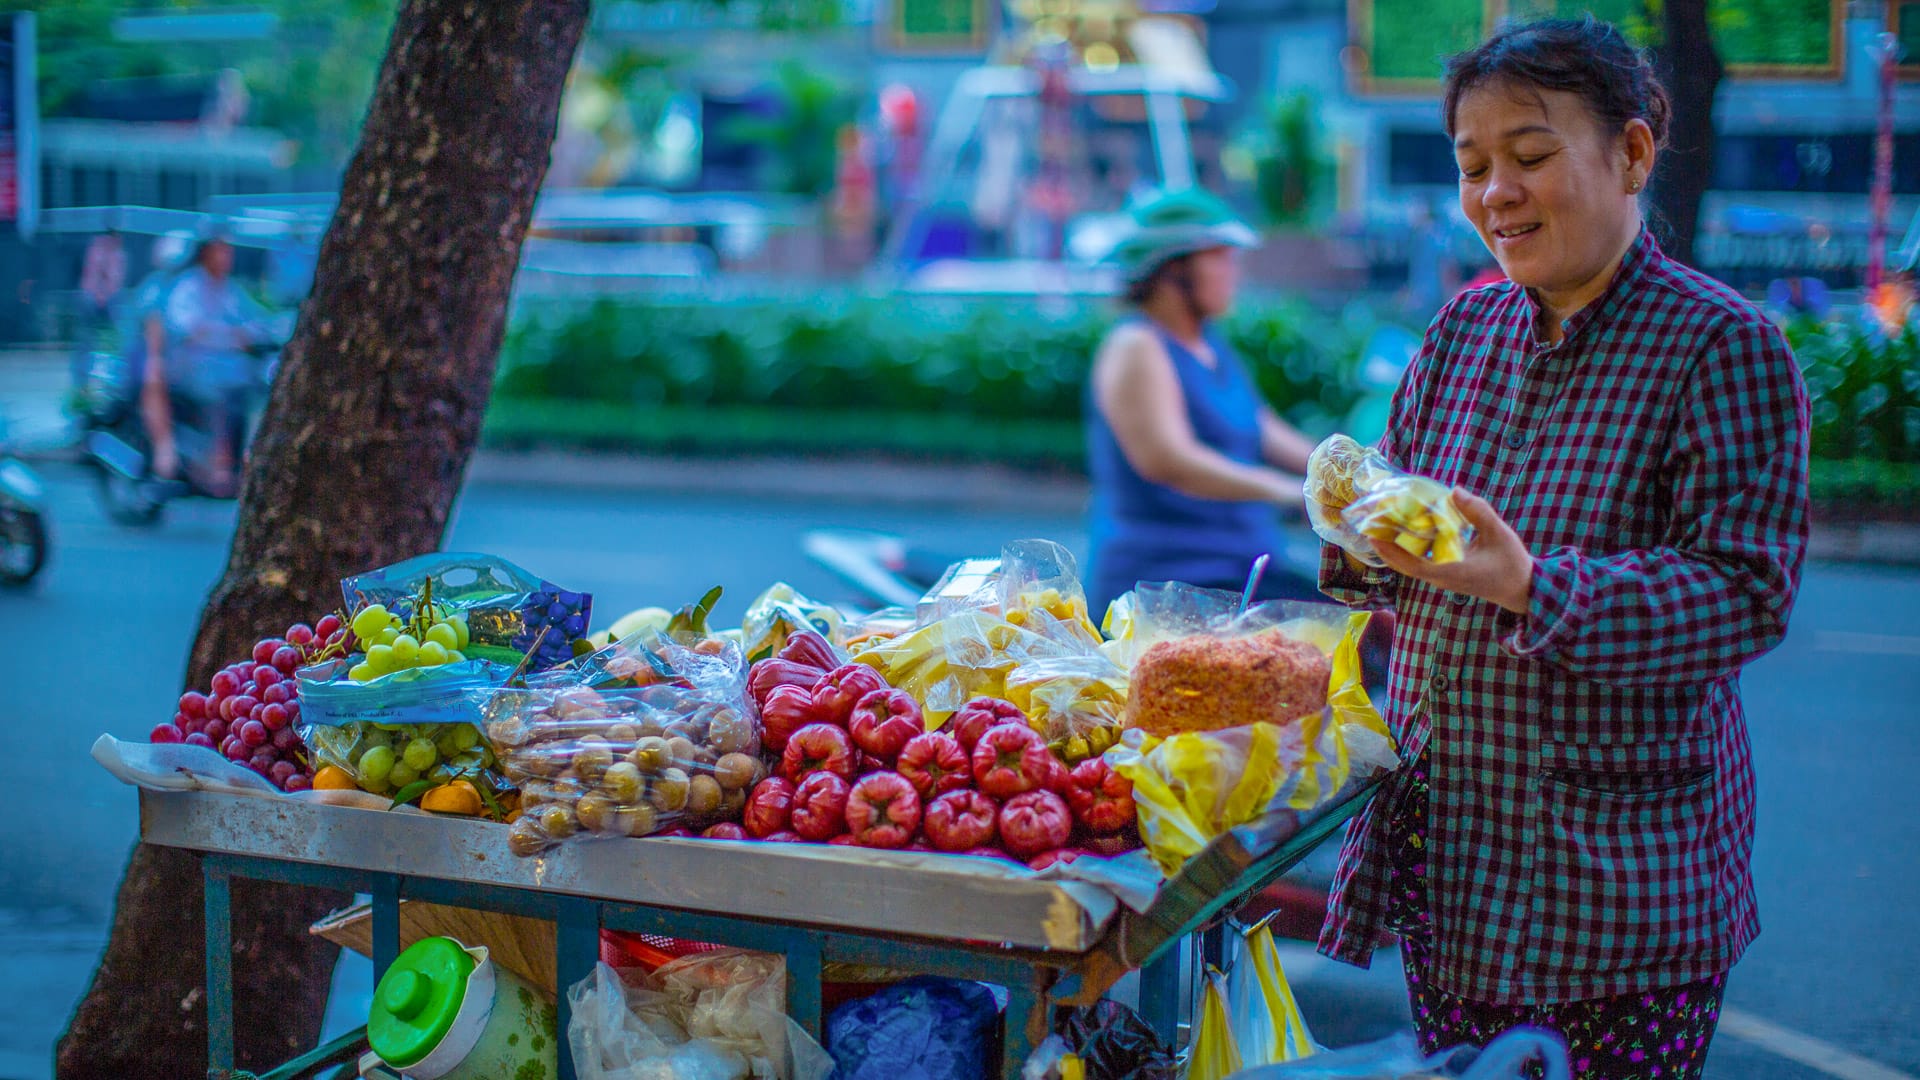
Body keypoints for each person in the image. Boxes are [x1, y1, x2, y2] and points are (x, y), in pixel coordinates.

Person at [1315, 19, 1808, 1079]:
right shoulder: (1460, 332)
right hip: (1455, 861)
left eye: (1531, 156)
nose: (1497, 191)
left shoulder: (1722, 343)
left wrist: (1533, 585)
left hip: (1616, 886)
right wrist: (1354, 532)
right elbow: (1407, 531)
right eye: (1473, 165)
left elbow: (1744, 593)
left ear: (1631, 154)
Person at [1084, 187, 1318, 617]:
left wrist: (1351, 470)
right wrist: (1294, 494)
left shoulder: (1208, 343)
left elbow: (1263, 429)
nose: (1234, 271)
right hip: (1169, 590)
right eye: (1220, 257)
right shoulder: (1136, 344)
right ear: (1173, 269)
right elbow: (1170, 459)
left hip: (1240, 574)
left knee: (1374, 625)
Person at [164, 229, 273, 495]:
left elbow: (255, 322)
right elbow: (186, 328)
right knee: (219, 399)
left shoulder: (230, 291)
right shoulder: (187, 288)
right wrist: (229, 337)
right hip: (192, 370)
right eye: (220, 251)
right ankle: (218, 466)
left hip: (231, 371)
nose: (226, 258)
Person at [131, 231, 194, 481]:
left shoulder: (191, 287)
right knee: (155, 381)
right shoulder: (154, 290)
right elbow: (153, 332)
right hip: (146, 360)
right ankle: (163, 448)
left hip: (183, 362)